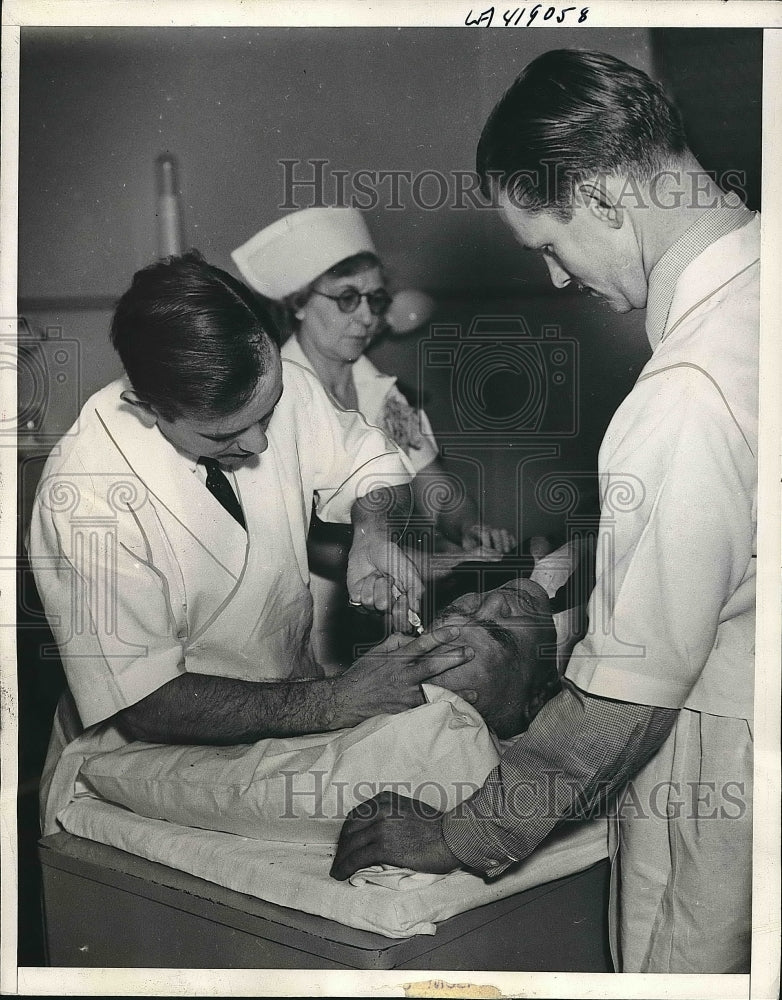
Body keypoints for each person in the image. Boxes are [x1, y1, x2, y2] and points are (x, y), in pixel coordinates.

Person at [331, 49, 758, 975]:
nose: (559, 281)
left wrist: (460, 834)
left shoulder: (687, 395)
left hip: (727, 784)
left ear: (602, 196)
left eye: (550, 247)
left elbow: (618, 705)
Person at [30, 251, 477, 834]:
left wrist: (372, 532)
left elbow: (370, 460)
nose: (261, 444)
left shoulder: (272, 379)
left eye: (268, 413)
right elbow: (146, 701)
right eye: (226, 434)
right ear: (147, 407)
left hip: (292, 714)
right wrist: (337, 702)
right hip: (146, 754)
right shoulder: (85, 494)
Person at [232, 208, 516, 668]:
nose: (366, 317)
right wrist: (416, 560)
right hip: (302, 615)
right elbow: (285, 533)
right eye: (347, 298)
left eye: (375, 299)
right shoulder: (272, 399)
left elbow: (434, 486)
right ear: (299, 302)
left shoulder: (383, 394)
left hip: (388, 600)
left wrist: (467, 527)